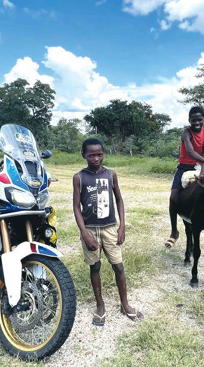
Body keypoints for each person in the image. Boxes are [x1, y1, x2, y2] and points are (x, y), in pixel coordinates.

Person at [73, 138, 143, 326]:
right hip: (90, 229)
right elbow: (76, 207)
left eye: (99, 154)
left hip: (110, 227)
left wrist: (122, 226)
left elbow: (119, 200)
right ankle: (100, 305)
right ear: (84, 156)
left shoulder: (111, 175)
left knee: (118, 266)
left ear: (103, 154)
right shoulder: (79, 177)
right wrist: (84, 233)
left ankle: (125, 304)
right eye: (91, 155)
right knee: (95, 267)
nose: (96, 158)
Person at [164, 106, 204, 249]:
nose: (197, 122)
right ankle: (174, 231)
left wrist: (203, 169)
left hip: (200, 165)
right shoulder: (186, 132)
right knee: (174, 197)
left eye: (199, 119)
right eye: (193, 120)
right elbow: (190, 152)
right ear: (189, 120)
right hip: (184, 166)